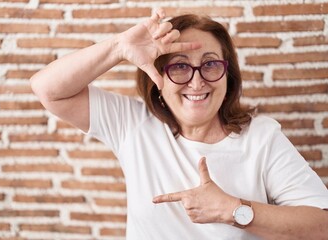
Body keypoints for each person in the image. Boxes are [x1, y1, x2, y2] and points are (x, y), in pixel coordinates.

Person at [30, 9, 328, 240]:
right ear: (158, 79)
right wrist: (119, 47)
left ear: (228, 76)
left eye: (210, 63)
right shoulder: (133, 124)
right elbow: (48, 88)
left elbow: (322, 227)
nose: (197, 81)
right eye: (180, 65)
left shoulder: (261, 138)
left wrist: (232, 210)